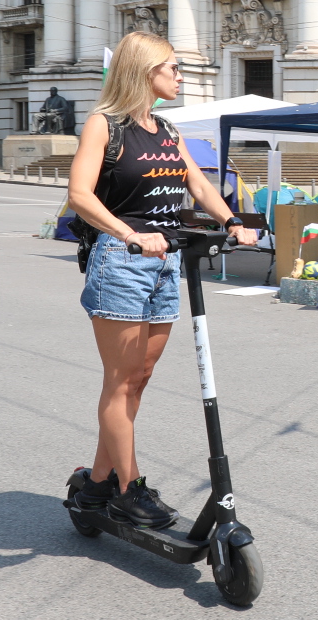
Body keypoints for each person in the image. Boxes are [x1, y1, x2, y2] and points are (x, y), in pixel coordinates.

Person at [64, 31, 258, 526]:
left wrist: (231, 221)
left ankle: (97, 486)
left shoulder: (168, 131)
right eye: (172, 67)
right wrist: (130, 233)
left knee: (140, 379)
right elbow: (81, 195)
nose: (179, 75)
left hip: (168, 261)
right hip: (123, 259)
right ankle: (130, 488)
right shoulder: (103, 125)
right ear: (144, 71)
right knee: (120, 380)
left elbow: (196, 182)